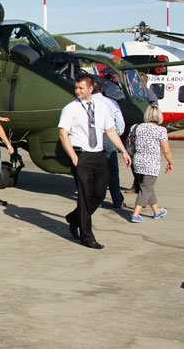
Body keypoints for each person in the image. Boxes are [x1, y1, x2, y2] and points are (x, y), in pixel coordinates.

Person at [59, 74, 132, 250]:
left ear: (91, 89)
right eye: (76, 88)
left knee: (99, 194)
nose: (77, 91)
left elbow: (111, 130)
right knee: (84, 197)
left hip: (98, 155)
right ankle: (87, 236)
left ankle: (74, 218)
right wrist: (74, 157)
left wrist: (123, 150)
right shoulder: (70, 109)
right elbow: (63, 133)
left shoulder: (102, 107)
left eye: (81, 88)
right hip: (81, 155)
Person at [127, 105, 173, 223]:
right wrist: (170, 162)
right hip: (151, 163)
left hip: (138, 161)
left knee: (146, 186)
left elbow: (129, 141)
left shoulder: (136, 127)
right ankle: (136, 214)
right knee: (146, 188)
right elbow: (166, 150)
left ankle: (157, 211)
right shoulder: (161, 130)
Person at [92, 82, 126, 208]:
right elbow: (120, 123)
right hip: (108, 137)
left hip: (92, 138)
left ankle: (96, 199)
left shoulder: (83, 103)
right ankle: (117, 199)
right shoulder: (111, 102)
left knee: (95, 170)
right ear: (101, 89)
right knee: (112, 171)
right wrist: (116, 135)